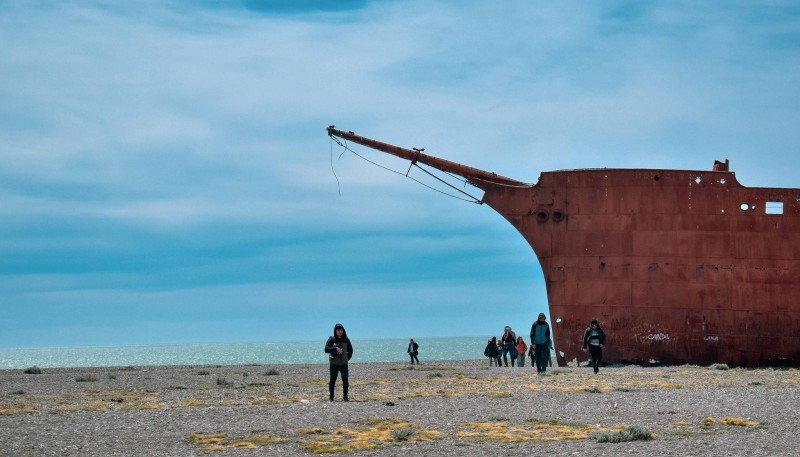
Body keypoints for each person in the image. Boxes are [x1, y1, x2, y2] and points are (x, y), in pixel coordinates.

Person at [324, 323, 353, 401]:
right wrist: (335, 348)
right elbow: (326, 349)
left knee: (345, 381)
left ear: (343, 330)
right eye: (338, 330)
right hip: (334, 364)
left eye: (341, 329)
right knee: (332, 381)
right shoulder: (332, 339)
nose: (339, 331)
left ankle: (345, 397)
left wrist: (347, 359)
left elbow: (350, 350)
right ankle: (331, 397)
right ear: (335, 331)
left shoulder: (346, 340)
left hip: (344, 364)